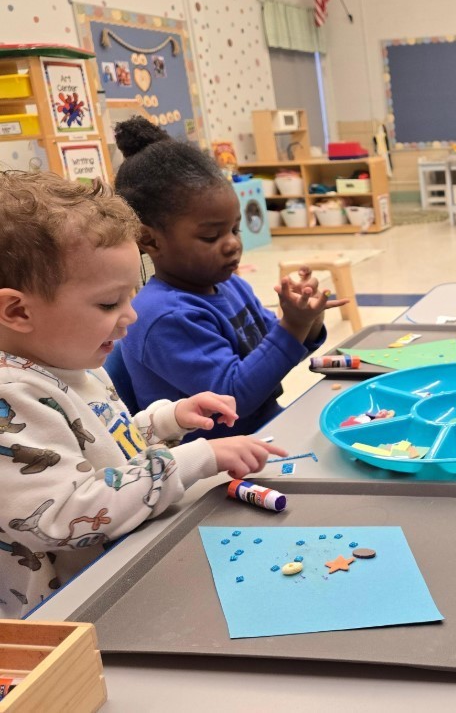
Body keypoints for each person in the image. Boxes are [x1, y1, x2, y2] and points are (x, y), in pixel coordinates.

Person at [0, 170, 286, 618]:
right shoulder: (13, 397)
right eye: (109, 303)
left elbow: (100, 445)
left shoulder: (67, 358)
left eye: (132, 296)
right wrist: (196, 459)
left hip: (114, 576)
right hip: (62, 617)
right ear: (18, 310)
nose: (130, 316)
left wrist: (168, 421)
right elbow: (65, 514)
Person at [114, 117, 346, 437]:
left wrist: (308, 319)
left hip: (263, 430)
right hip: (214, 463)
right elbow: (233, 399)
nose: (233, 243)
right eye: (211, 236)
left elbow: (275, 354)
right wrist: (292, 327)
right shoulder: (162, 316)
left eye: (234, 229)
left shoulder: (229, 284)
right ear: (149, 240)